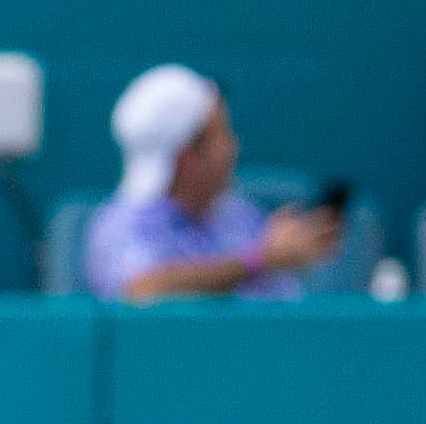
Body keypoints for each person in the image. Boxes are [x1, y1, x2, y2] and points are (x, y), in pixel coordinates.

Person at [83, 65, 340, 303]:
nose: (234, 146)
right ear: (187, 158)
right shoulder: (119, 225)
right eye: (222, 133)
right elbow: (142, 291)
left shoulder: (240, 215)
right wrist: (260, 260)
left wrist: (286, 254)